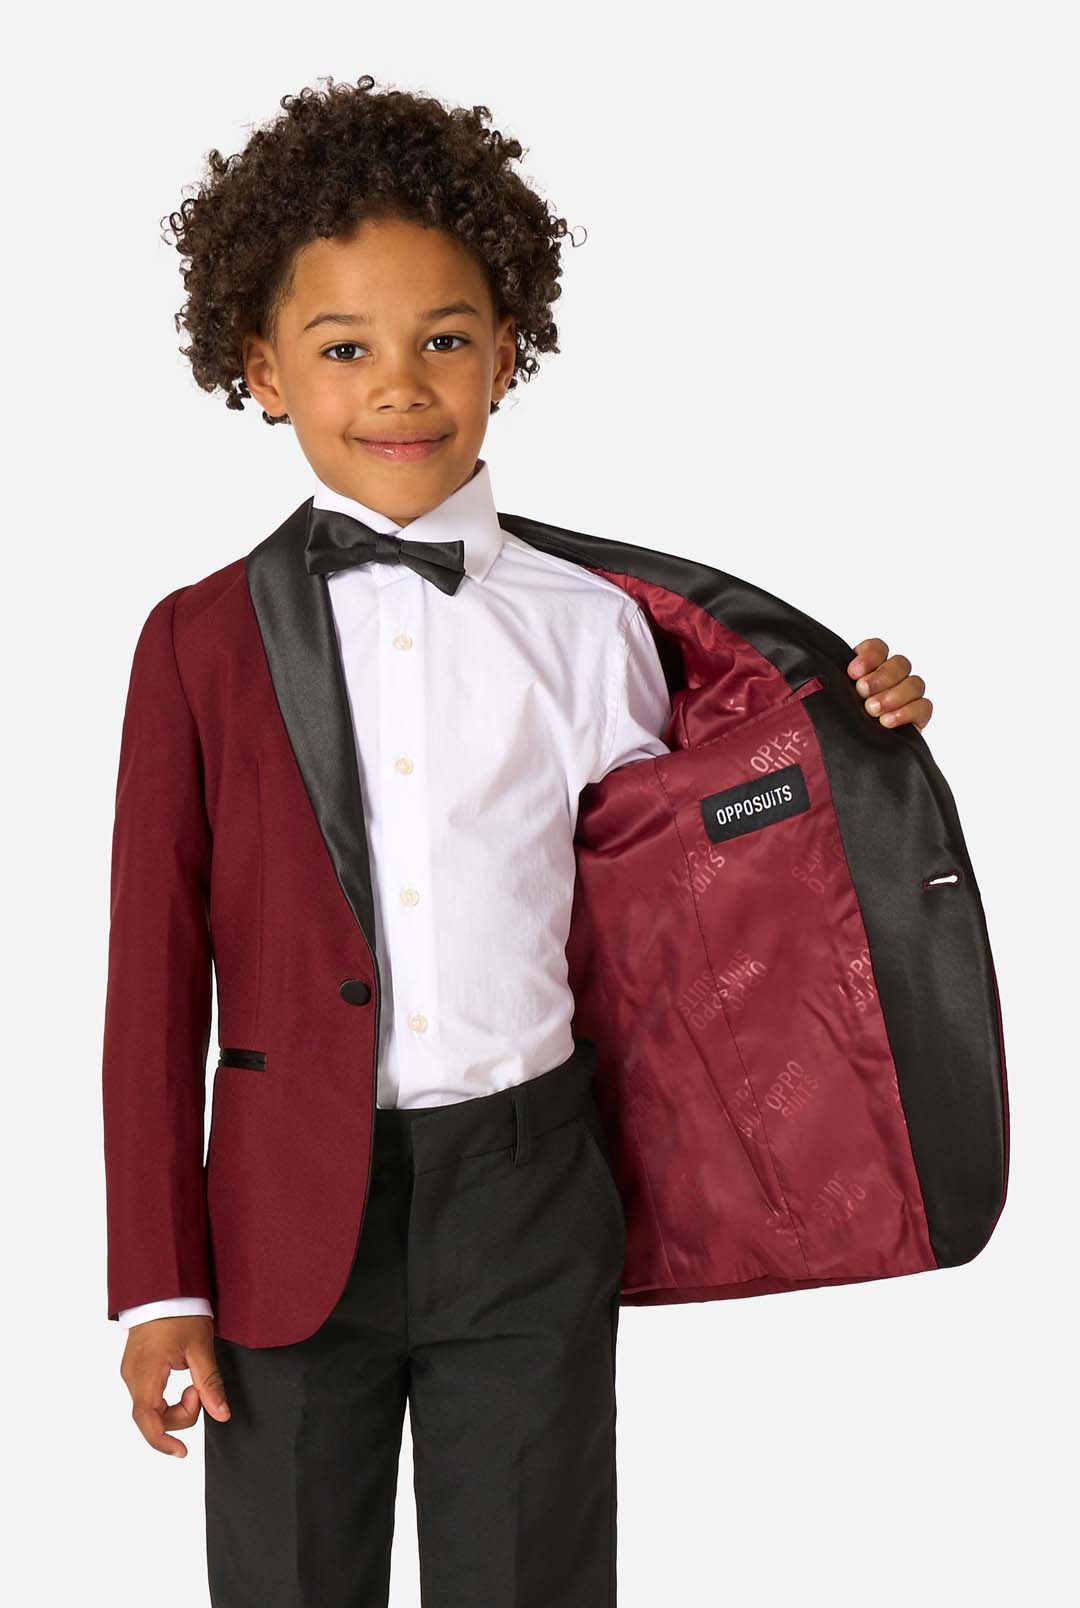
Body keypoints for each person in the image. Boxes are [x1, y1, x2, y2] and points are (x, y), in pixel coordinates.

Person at [104, 74, 937, 1607]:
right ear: (262, 371)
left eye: (443, 340)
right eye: (343, 349)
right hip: (283, 1219)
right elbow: (149, 995)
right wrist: (157, 1283)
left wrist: (855, 721)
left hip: (528, 1195)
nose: (399, 388)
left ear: (506, 351)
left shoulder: (599, 627)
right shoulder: (193, 644)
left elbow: (719, 848)